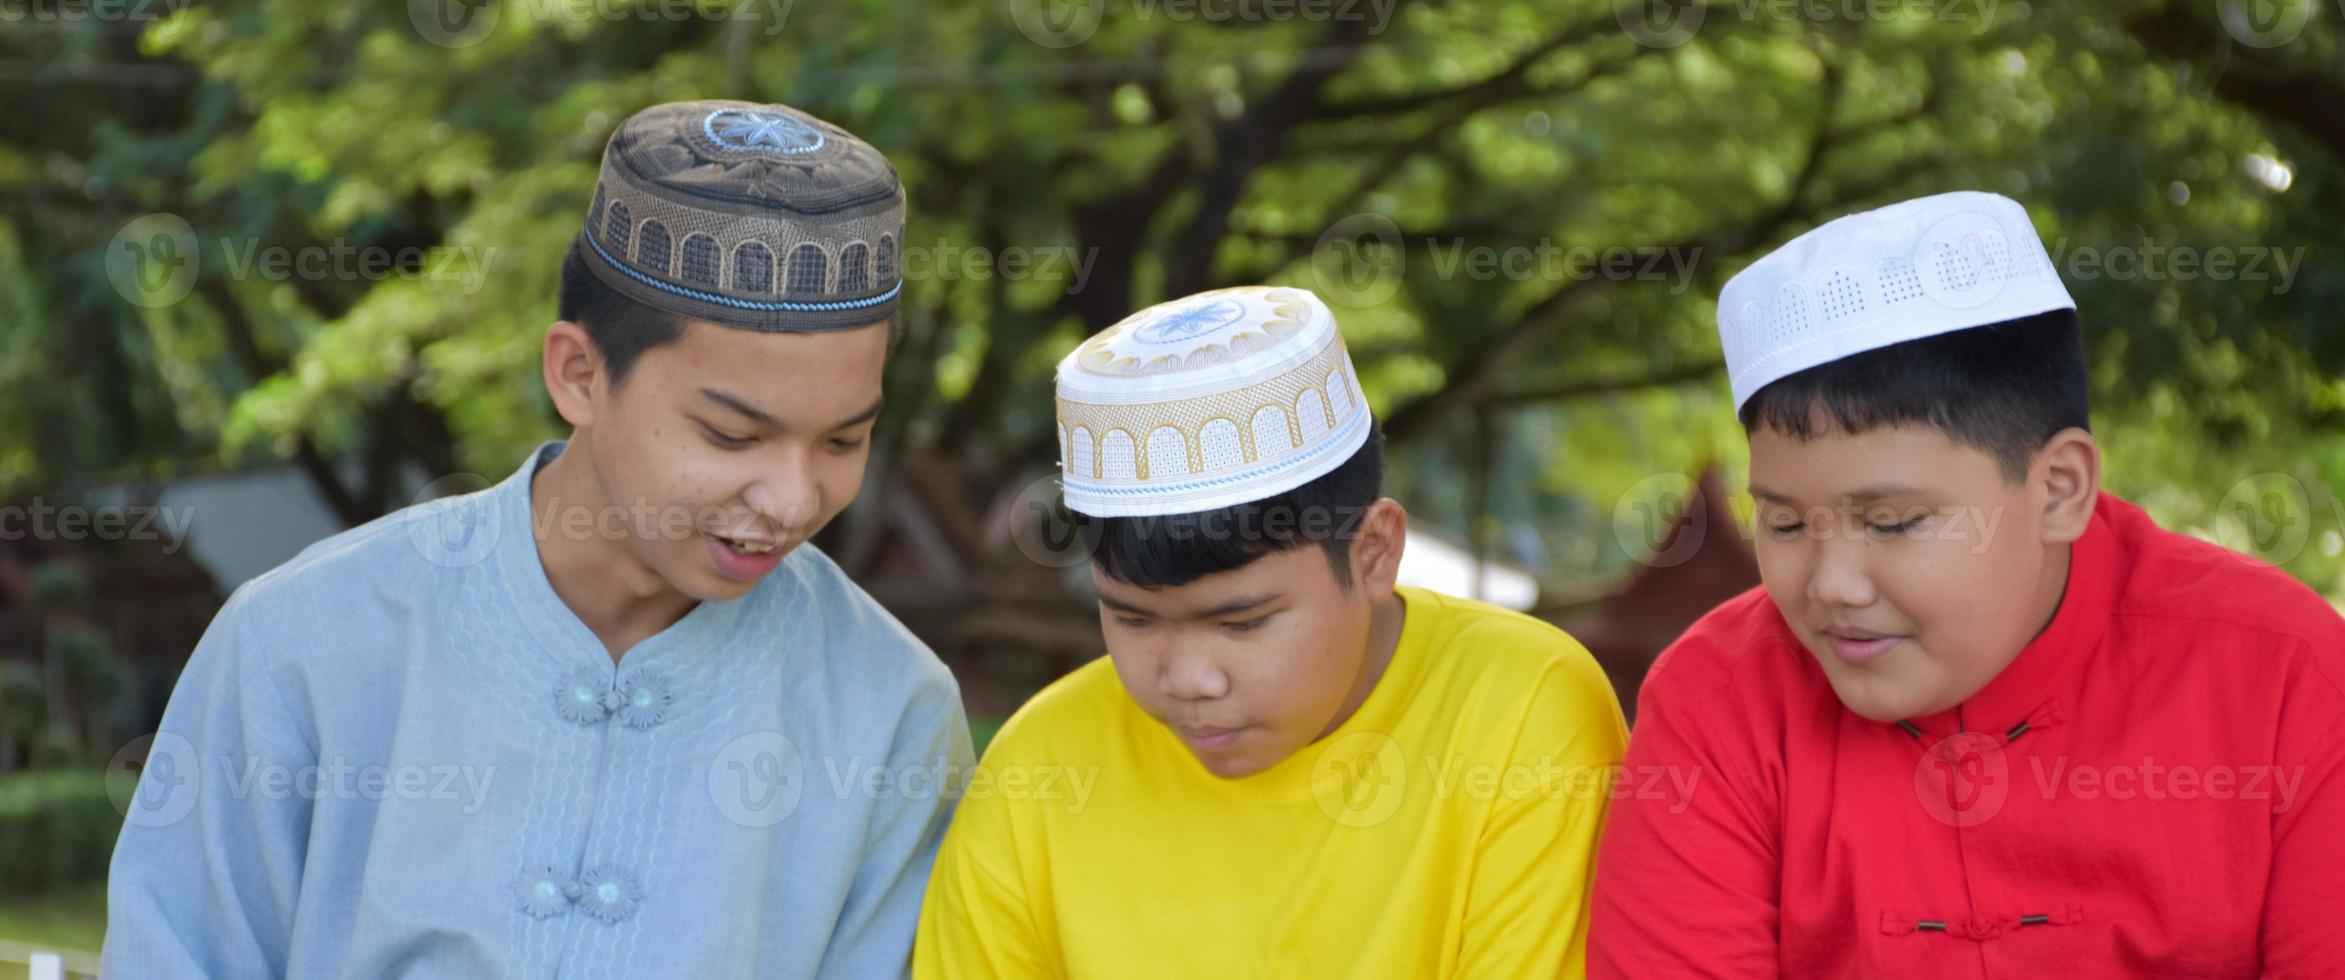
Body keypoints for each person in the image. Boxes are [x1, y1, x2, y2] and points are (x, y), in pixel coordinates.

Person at [102, 100, 972, 978]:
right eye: (732, 437)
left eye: (843, 442)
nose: (791, 499)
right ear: (580, 375)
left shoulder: (889, 708)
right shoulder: (300, 644)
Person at [1590, 190, 2345, 976]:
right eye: (1783, 524)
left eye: (1890, 522)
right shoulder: (1717, 703)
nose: (1831, 585)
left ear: (2057, 489)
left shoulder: (2284, 678)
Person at [914, 285, 1626, 978]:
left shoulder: (1520, 711)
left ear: (1373, 551)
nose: (1189, 680)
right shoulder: (1040, 770)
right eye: (1131, 618)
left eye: (1242, 621)